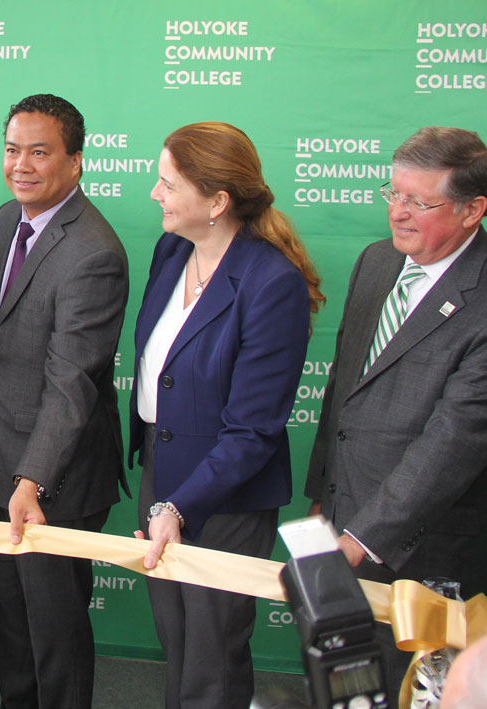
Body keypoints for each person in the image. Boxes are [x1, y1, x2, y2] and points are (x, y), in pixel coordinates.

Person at [132, 122, 321, 709]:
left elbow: (254, 430)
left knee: (211, 657)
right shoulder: (172, 249)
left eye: (168, 184)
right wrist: (162, 495)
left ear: (216, 202)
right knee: (178, 641)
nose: (155, 195)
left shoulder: (272, 285)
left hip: (226, 496)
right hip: (161, 473)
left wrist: (179, 506)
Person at [306, 126, 487, 702]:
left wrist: (361, 537)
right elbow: (342, 390)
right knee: (351, 689)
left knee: (417, 693)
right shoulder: (377, 262)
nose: (398, 213)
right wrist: (323, 500)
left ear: (472, 210)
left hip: (427, 550)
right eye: (393, 193)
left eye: (419, 201)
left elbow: (452, 442)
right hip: (344, 526)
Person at [0, 93, 128, 708]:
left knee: (53, 635)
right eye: (13, 150)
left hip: (52, 481)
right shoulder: (2, 221)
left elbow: (72, 383)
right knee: (8, 628)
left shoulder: (93, 252)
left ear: (76, 162)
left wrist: (31, 479)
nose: (22, 165)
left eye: (40, 152)